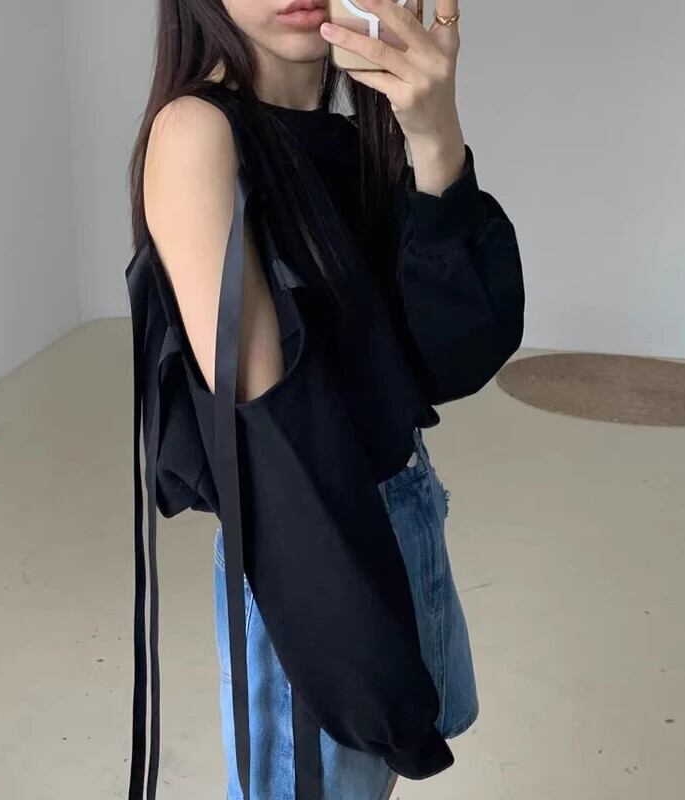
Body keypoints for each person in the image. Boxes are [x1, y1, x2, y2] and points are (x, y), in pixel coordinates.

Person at [126, 1, 524, 798]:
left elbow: (454, 357)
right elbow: (281, 453)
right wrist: (363, 657)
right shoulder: (199, 134)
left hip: (402, 509)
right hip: (316, 557)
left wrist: (435, 135)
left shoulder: (354, 135)